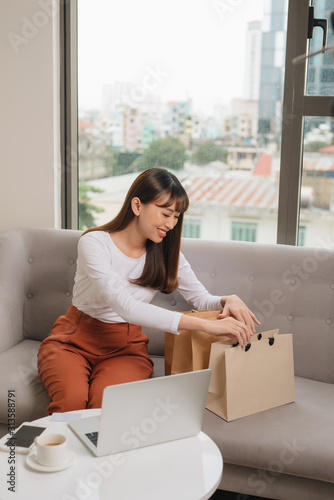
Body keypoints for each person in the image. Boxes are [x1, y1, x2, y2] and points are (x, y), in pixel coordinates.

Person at [38, 167, 260, 414]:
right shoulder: (94, 243)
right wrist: (207, 326)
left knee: (105, 409)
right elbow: (126, 307)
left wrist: (226, 300)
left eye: (177, 216)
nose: (171, 223)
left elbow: (200, 298)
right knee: (71, 405)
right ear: (137, 205)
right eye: (166, 213)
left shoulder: (167, 255)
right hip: (73, 340)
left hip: (125, 349)